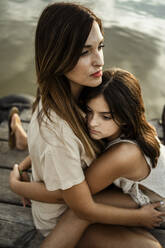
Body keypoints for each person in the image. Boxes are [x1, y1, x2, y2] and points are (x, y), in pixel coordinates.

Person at [9, 2, 164, 248]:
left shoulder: (77, 94)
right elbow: (80, 206)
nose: (99, 60)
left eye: (100, 46)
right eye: (84, 52)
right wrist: (16, 185)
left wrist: (26, 169)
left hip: (89, 197)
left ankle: (20, 135)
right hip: (62, 215)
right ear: (57, 56)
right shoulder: (59, 130)